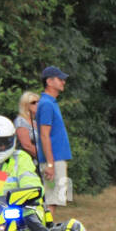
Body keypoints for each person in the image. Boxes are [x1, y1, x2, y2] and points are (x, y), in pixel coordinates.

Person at [37, 65, 73, 216]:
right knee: (51, 200)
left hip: (56, 159)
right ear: (49, 82)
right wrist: (50, 164)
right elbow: (44, 135)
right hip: (53, 160)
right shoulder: (46, 104)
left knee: (55, 199)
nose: (63, 82)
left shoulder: (50, 103)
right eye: (60, 79)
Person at [15, 91, 41, 161]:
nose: (37, 104)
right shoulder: (20, 121)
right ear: (25, 105)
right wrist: (43, 157)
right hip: (26, 162)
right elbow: (26, 145)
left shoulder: (36, 122)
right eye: (33, 103)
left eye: (39, 102)